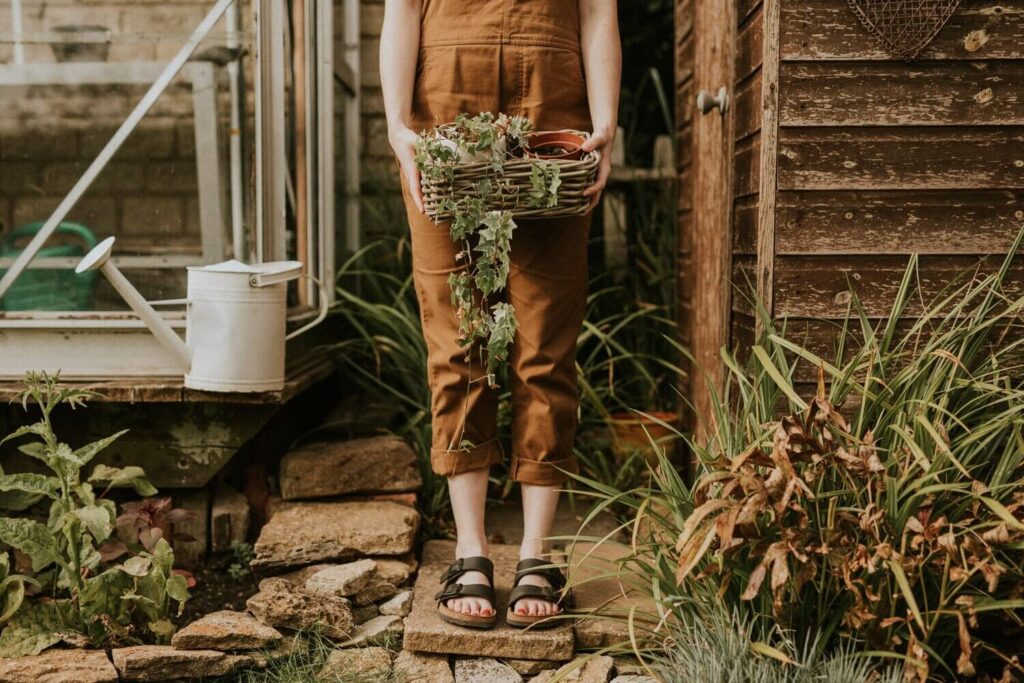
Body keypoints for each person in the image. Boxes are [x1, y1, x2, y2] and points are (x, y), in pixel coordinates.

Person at [380, 0, 621, 629]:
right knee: (458, 341)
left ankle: (537, 553)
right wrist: (398, 126)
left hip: (554, 114)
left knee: (545, 343)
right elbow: (403, 8)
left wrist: (606, 122)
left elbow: (598, 11)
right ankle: (470, 550)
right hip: (443, 117)